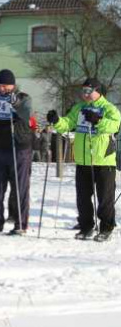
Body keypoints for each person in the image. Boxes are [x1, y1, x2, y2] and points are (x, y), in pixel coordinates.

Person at [47, 77, 121, 241]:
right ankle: (86, 226)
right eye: (83, 91)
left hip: (103, 160)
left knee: (104, 198)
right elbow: (68, 123)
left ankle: (106, 227)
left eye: (89, 91)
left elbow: (115, 125)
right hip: (83, 160)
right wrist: (57, 120)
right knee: (82, 197)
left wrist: (99, 121)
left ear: (98, 91)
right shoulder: (79, 108)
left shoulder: (108, 108)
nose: (85, 94)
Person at [0, 69, 34, 235]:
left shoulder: (24, 97)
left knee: (19, 186)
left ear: (12, 84)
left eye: (5, 85)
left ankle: (20, 223)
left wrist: (15, 103)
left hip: (18, 146)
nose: (2, 89)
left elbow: (27, 114)